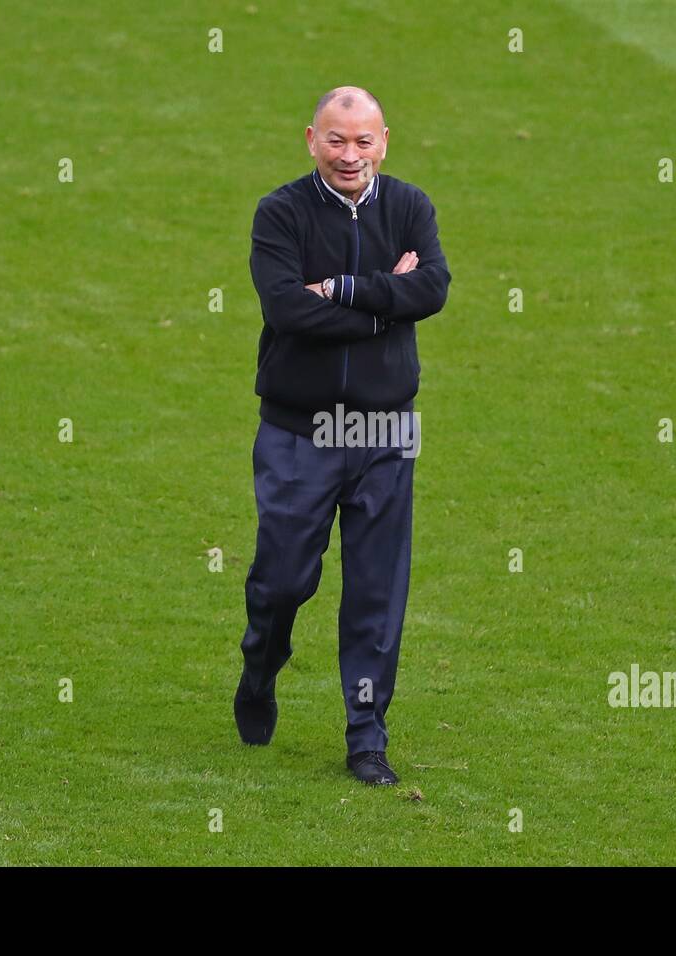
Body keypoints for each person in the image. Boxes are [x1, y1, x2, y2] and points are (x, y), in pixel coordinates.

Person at [234, 85, 451, 785]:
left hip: (386, 430)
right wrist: (387, 301)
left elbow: (435, 289)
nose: (350, 155)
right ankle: (262, 663)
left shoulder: (412, 207)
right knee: (285, 578)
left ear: (384, 141)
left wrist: (345, 290)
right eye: (336, 140)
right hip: (300, 431)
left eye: (363, 142)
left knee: (376, 594)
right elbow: (289, 310)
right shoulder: (281, 213)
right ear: (310, 139)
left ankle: (366, 736)